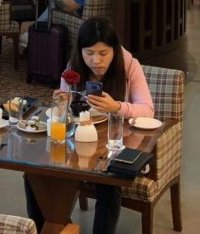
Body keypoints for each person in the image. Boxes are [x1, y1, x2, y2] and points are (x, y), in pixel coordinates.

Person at [23, 17, 154, 234]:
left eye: (103, 53)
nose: (96, 60)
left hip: (115, 143)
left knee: (108, 182)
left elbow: (148, 110)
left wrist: (116, 106)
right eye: (89, 53)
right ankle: (53, 225)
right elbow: (62, 111)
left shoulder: (129, 65)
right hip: (76, 143)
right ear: (80, 51)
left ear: (114, 50)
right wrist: (61, 103)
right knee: (34, 174)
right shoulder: (73, 68)